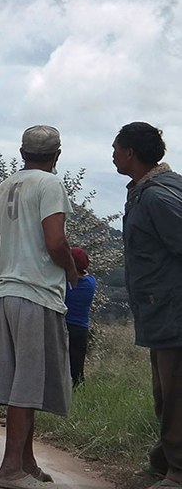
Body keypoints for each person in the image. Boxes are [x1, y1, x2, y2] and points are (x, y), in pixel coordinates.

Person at [0, 125, 78, 489]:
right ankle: (9, 469)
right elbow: (56, 241)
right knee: (27, 384)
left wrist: (17, 255)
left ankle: (27, 461)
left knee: (24, 382)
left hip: (5, 292)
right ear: (57, 154)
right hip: (37, 294)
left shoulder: (4, 187)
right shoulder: (50, 185)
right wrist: (70, 269)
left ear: (22, 153)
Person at [112, 121, 182, 488]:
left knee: (174, 394)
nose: (112, 155)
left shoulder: (158, 196)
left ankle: (177, 471)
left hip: (174, 311)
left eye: (115, 149)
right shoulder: (146, 191)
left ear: (130, 154)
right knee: (165, 392)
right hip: (162, 310)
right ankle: (163, 461)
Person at [64, 246, 97, 388]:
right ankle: (78, 389)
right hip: (81, 329)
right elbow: (86, 273)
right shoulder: (91, 282)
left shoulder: (63, 284)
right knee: (77, 366)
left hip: (64, 326)